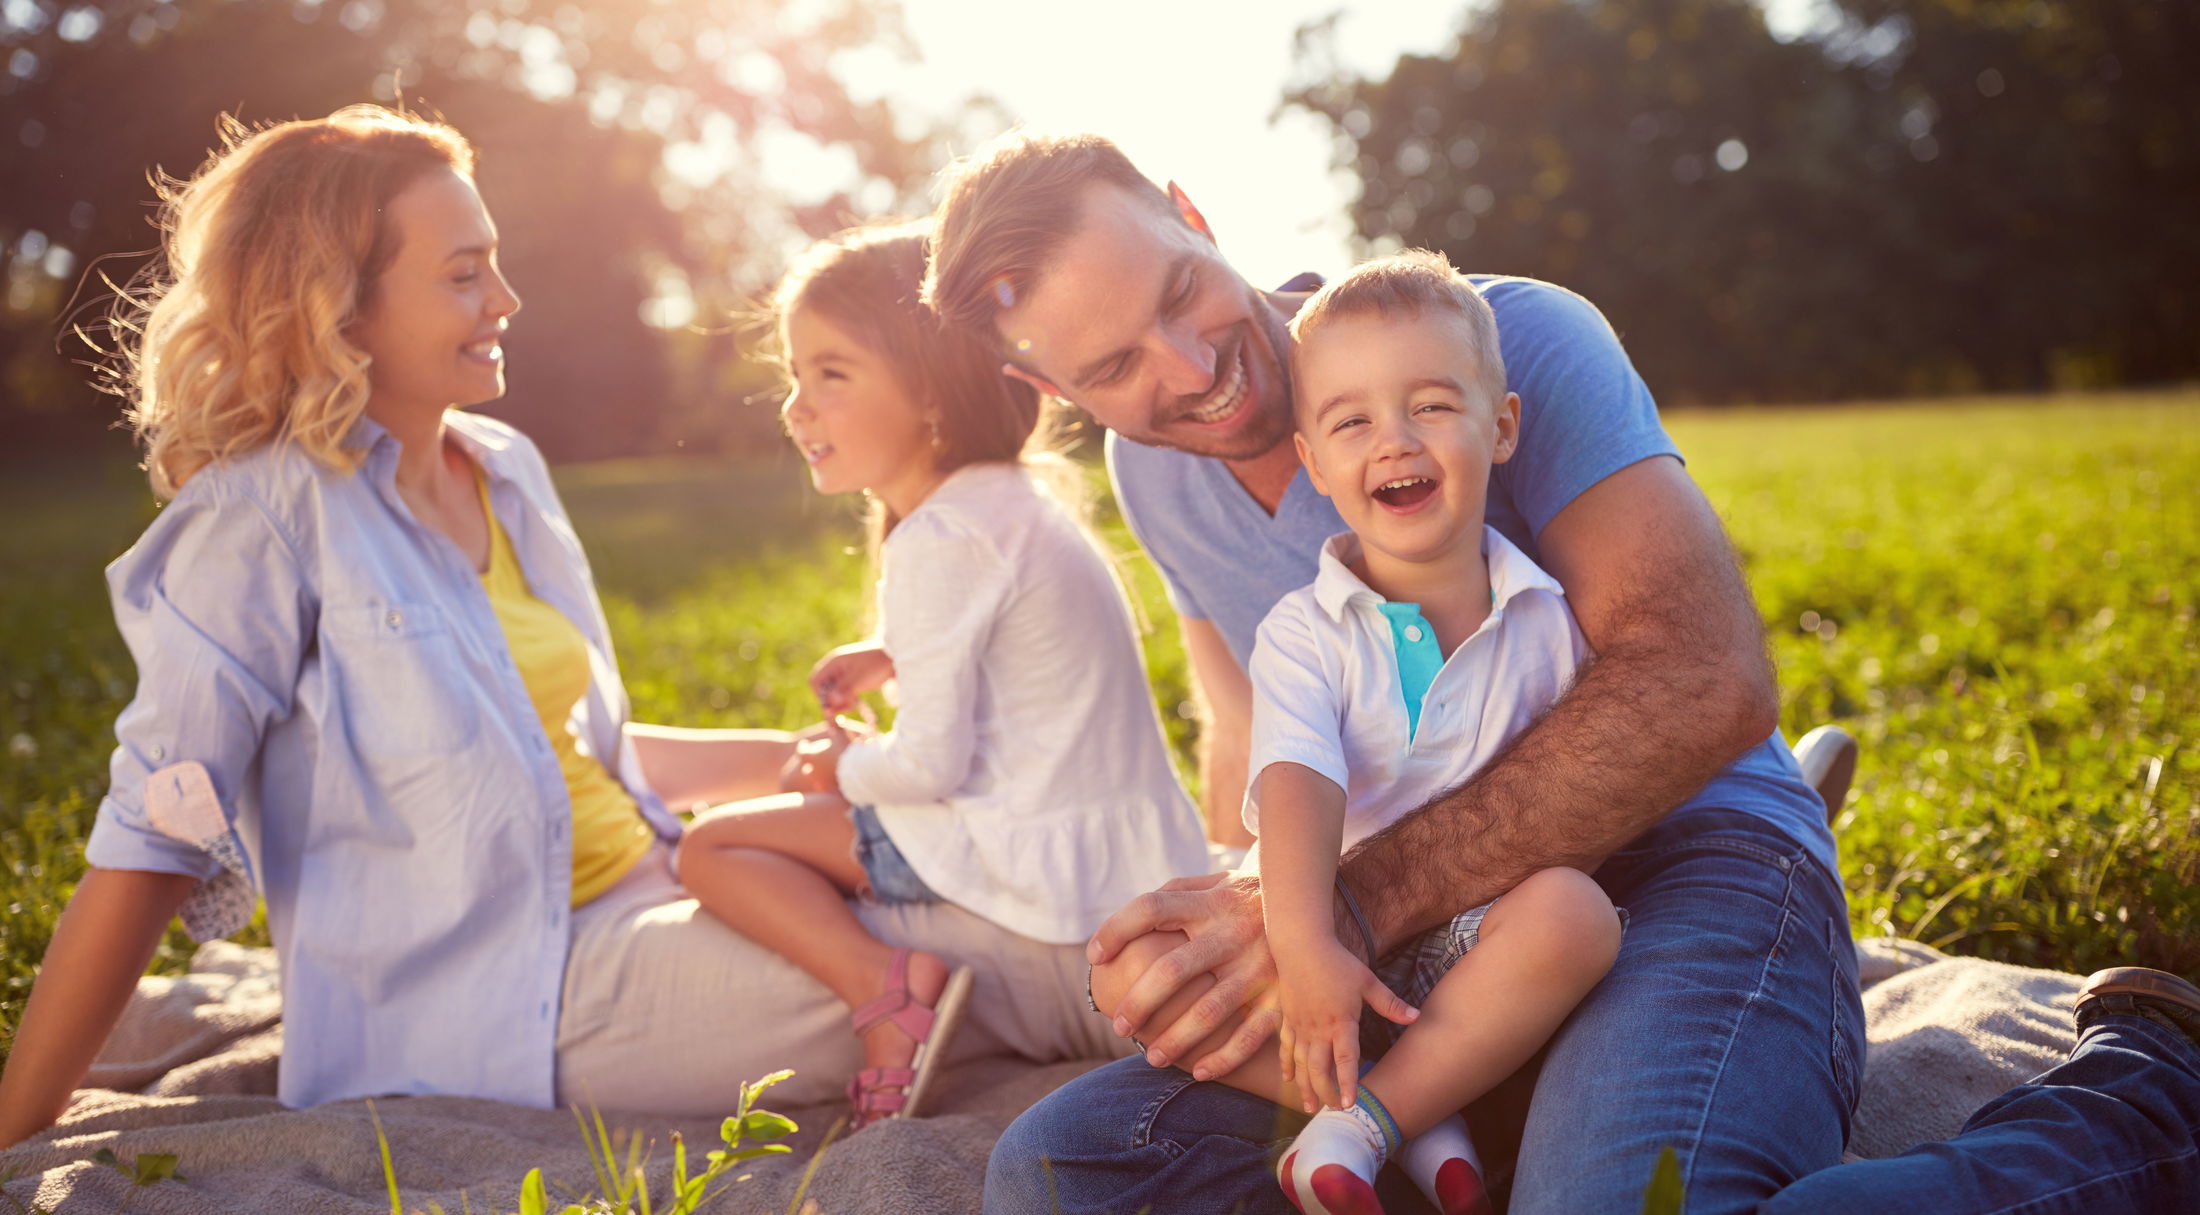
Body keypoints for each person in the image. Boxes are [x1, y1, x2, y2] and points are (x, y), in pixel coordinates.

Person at [924, 131, 2200, 1214]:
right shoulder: (1152, 472)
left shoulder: (1504, 337)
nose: (1189, 371)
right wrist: (1236, 934)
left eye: (1178, 294)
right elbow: (1252, 722)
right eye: (1111, 370)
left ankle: (2146, 1102)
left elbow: (1701, 683)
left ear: (1193, 217)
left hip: (1681, 865)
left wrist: (1345, 908)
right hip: (1420, 944)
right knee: (1064, 1164)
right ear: (1045, 389)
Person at [0, 109, 1123, 1149]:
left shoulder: (501, 469)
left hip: (661, 884)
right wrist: (17, 1132)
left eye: (492, 260)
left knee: (1007, 867)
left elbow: (563, 758)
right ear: (338, 305)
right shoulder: (257, 523)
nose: (505, 299)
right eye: (462, 273)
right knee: (973, 951)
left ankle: (1232, 962)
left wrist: (803, 767)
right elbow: (153, 838)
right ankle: (1234, 1022)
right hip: (508, 995)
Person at [1089, 250, 1622, 1214]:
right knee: (1132, 970)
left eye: (1431, 406)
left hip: (1481, 944)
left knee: (1576, 915)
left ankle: (1370, 1122)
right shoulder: (1305, 629)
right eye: (1352, 422)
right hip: (1338, 933)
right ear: (1316, 464)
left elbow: (1584, 786)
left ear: (1500, 429)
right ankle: (1420, 1111)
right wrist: (1304, 945)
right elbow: (1297, 783)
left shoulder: (1547, 615)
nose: (1394, 442)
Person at [671, 221, 1209, 1129]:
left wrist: (836, 768)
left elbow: (927, 767)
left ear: (928, 392)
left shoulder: (939, 537)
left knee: (711, 846)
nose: (796, 406)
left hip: (1037, 876)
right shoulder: (1013, 502)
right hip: (1128, 859)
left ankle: (887, 990)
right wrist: (891, 650)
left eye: (831, 374)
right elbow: (1012, 643)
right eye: (795, 376)